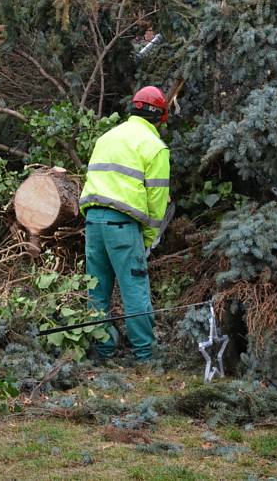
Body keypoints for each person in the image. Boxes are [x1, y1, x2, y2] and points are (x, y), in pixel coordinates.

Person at [79, 86, 171, 363]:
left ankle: (103, 351)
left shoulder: (106, 137)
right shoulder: (155, 147)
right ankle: (145, 355)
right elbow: (157, 200)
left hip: (93, 223)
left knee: (96, 291)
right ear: (161, 118)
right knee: (134, 290)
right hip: (123, 225)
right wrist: (150, 236)